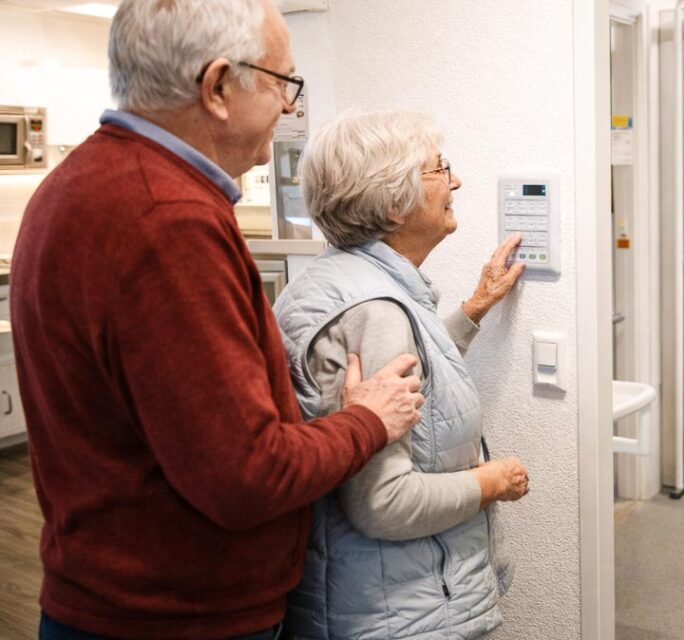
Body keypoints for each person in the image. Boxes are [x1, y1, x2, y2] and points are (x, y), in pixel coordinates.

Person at [11, 1, 427, 639]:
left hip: (107, 595)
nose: (290, 109)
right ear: (218, 87)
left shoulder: (75, 184)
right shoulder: (168, 222)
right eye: (284, 83)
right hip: (175, 618)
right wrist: (368, 420)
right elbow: (248, 476)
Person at [273, 109, 530, 640]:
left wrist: (473, 310)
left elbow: (419, 390)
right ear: (393, 204)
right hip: (395, 616)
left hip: (361, 603)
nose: (455, 181)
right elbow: (384, 505)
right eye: (440, 169)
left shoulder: (336, 282)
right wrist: (492, 481)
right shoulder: (376, 311)